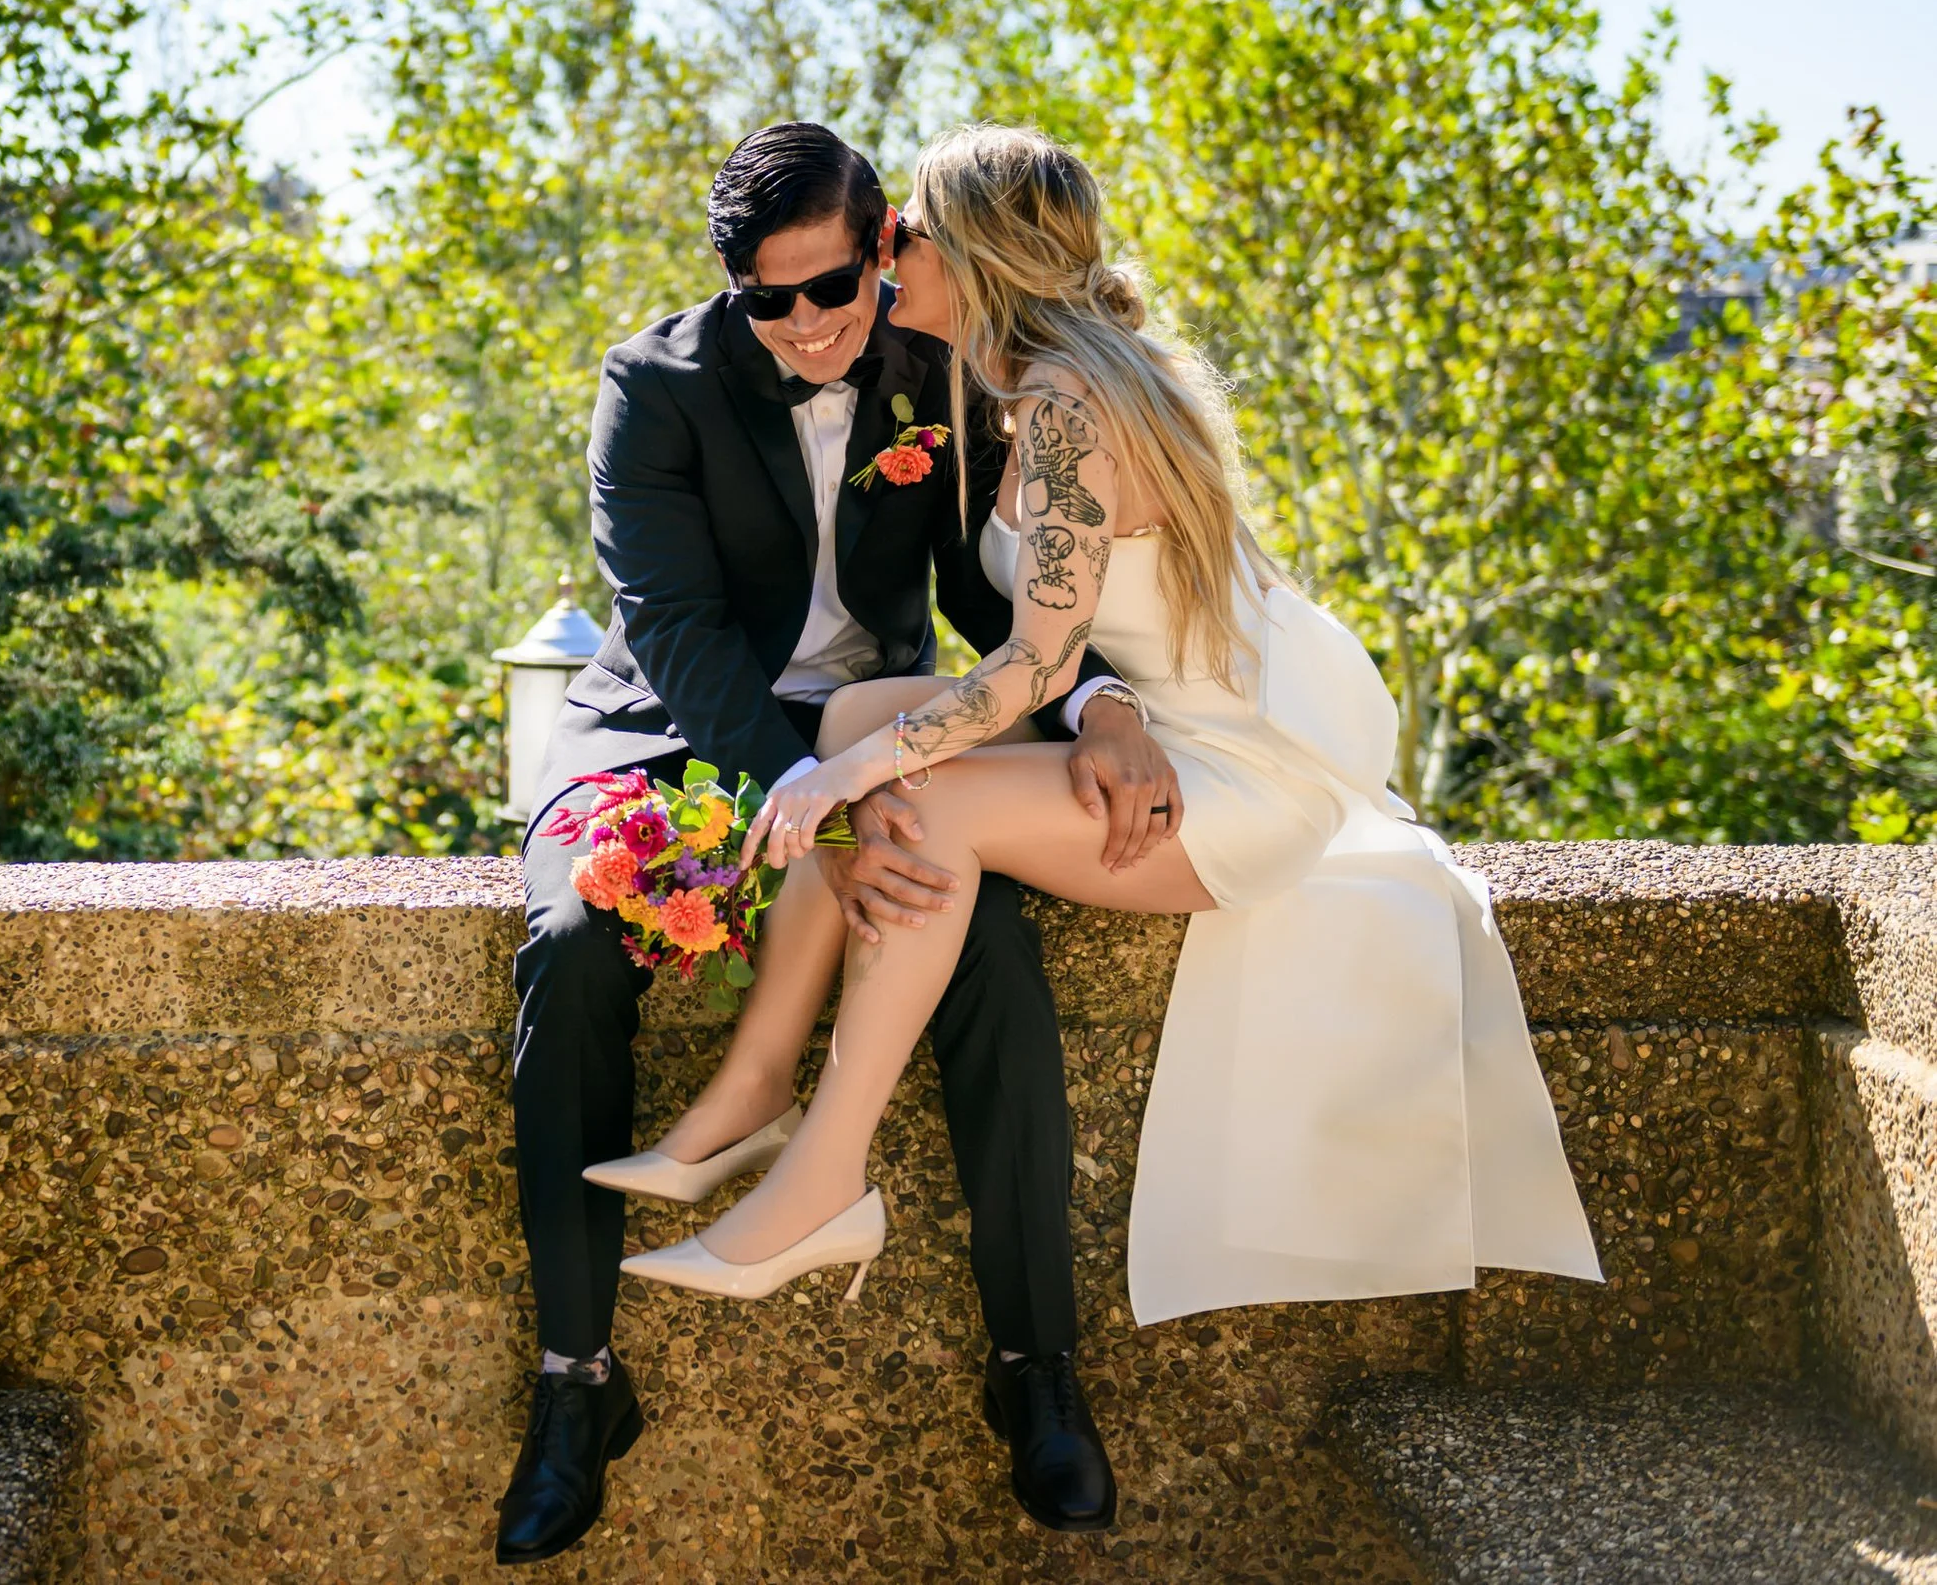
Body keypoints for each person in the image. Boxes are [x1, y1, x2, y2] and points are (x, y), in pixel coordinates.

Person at [611, 124, 1602, 1358]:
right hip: (1167, 732)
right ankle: (753, 1085)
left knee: (912, 791)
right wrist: (867, 748)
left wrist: (846, 776)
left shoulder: (1073, 404)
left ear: (969, 254)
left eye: (901, 231)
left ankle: (824, 1175)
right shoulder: (1035, 383)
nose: (883, 255)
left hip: (1235, 779)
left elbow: (1028, 661)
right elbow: (1045, 651)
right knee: (862, 712)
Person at [496, 122, 1171, 1566]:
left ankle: (1035, 1369)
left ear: (882, 247)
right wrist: (808, 806)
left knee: (979, 935)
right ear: (731, 286)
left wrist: (1102, 696)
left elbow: (1010, 597)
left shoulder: (940, 359)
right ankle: (575, 1383)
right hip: (676, 730)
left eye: (832, 288)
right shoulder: (653, 383)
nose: (808, 324)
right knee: (565, 944)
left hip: (887, 724)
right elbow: (672, 628)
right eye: (768, 299)